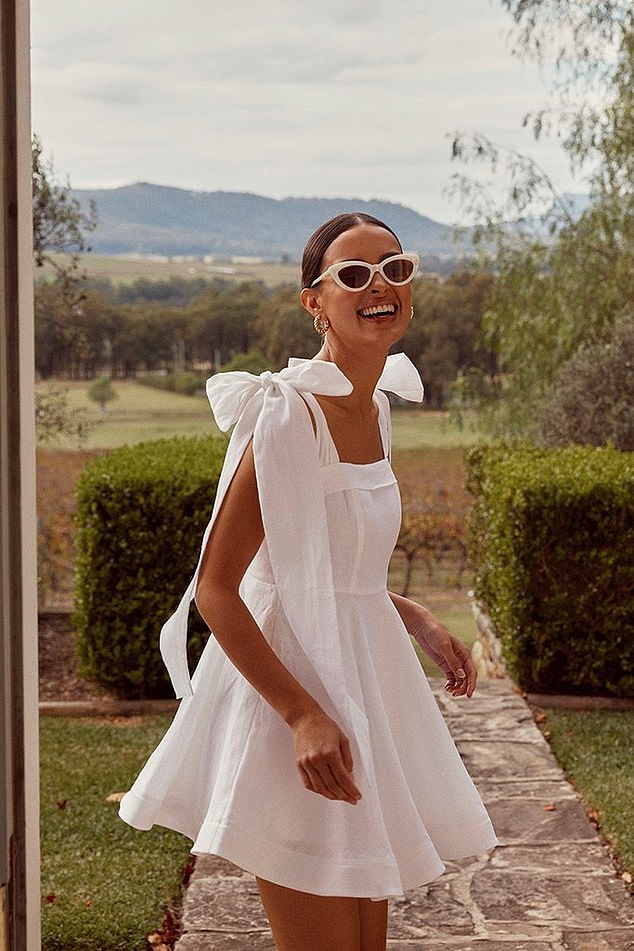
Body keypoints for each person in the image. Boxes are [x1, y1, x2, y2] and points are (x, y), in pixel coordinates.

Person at [119, 212, 497, 951]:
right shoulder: (290, 417)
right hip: (292, 698)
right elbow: (218, 589)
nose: (379, 285)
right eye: (353, 274)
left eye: (395, 267)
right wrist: (301, 715)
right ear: (314, 301)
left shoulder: (378, 406)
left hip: (360, 684)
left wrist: (412, 614)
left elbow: (319, 561)